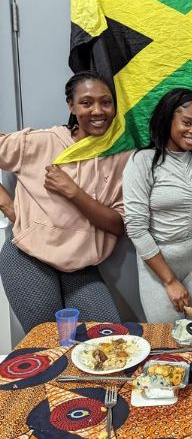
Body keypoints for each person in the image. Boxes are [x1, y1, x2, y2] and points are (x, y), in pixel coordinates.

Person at [0, 71, 131, 333]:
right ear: (71, 106)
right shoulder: (43, 141)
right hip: (29, 257)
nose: (98, 111)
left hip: (81, 267)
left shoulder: (121, 156)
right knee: (47, 343)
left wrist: (73, 192)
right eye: (86, 103)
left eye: (106, 102)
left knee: (109, 338)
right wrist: (9, 207)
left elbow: (117, 226)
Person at [123, 88, 192, 323]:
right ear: (167, 119)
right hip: (159, 266)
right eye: (187, 122)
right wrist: (170, 281)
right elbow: (136, 228)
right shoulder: (142, 161)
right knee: (166, 337)